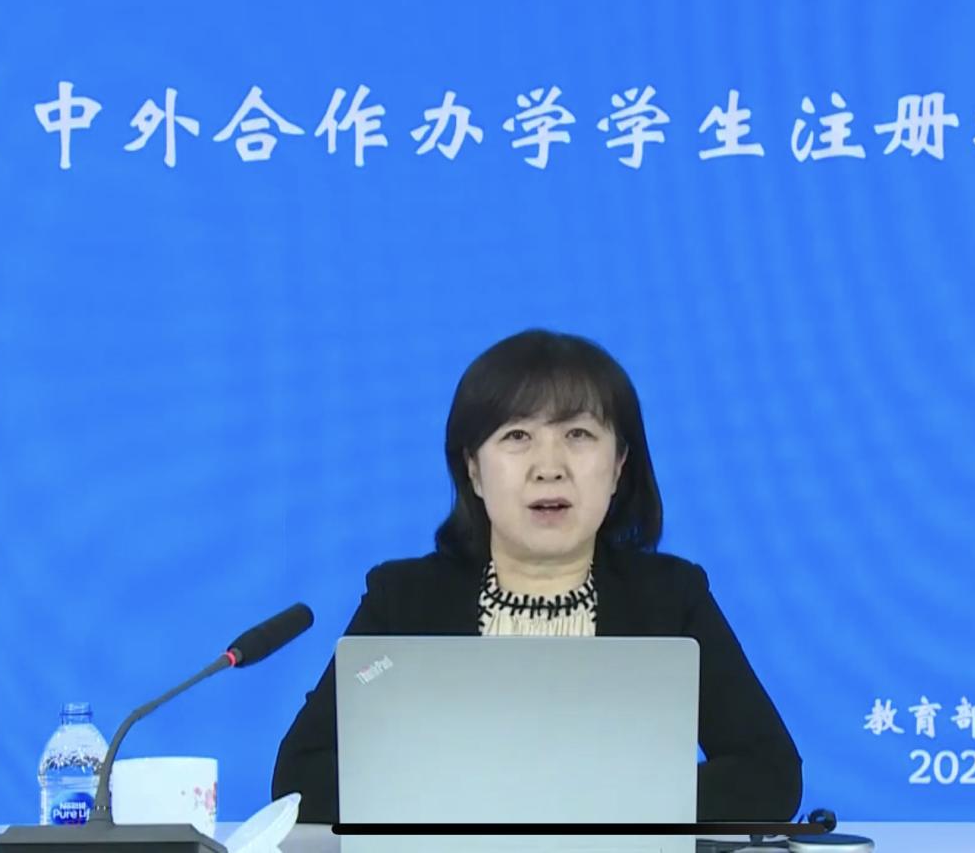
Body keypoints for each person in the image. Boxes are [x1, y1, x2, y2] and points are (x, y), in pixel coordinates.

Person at [272, 329, 802, 823]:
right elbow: (301, 777)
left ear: (619, 465)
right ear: (474, 470)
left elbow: (769, 774)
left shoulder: (670, 597)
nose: (549, 466)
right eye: (518, 435)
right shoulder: (404, 600)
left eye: (578, 434)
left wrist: (600, 811)